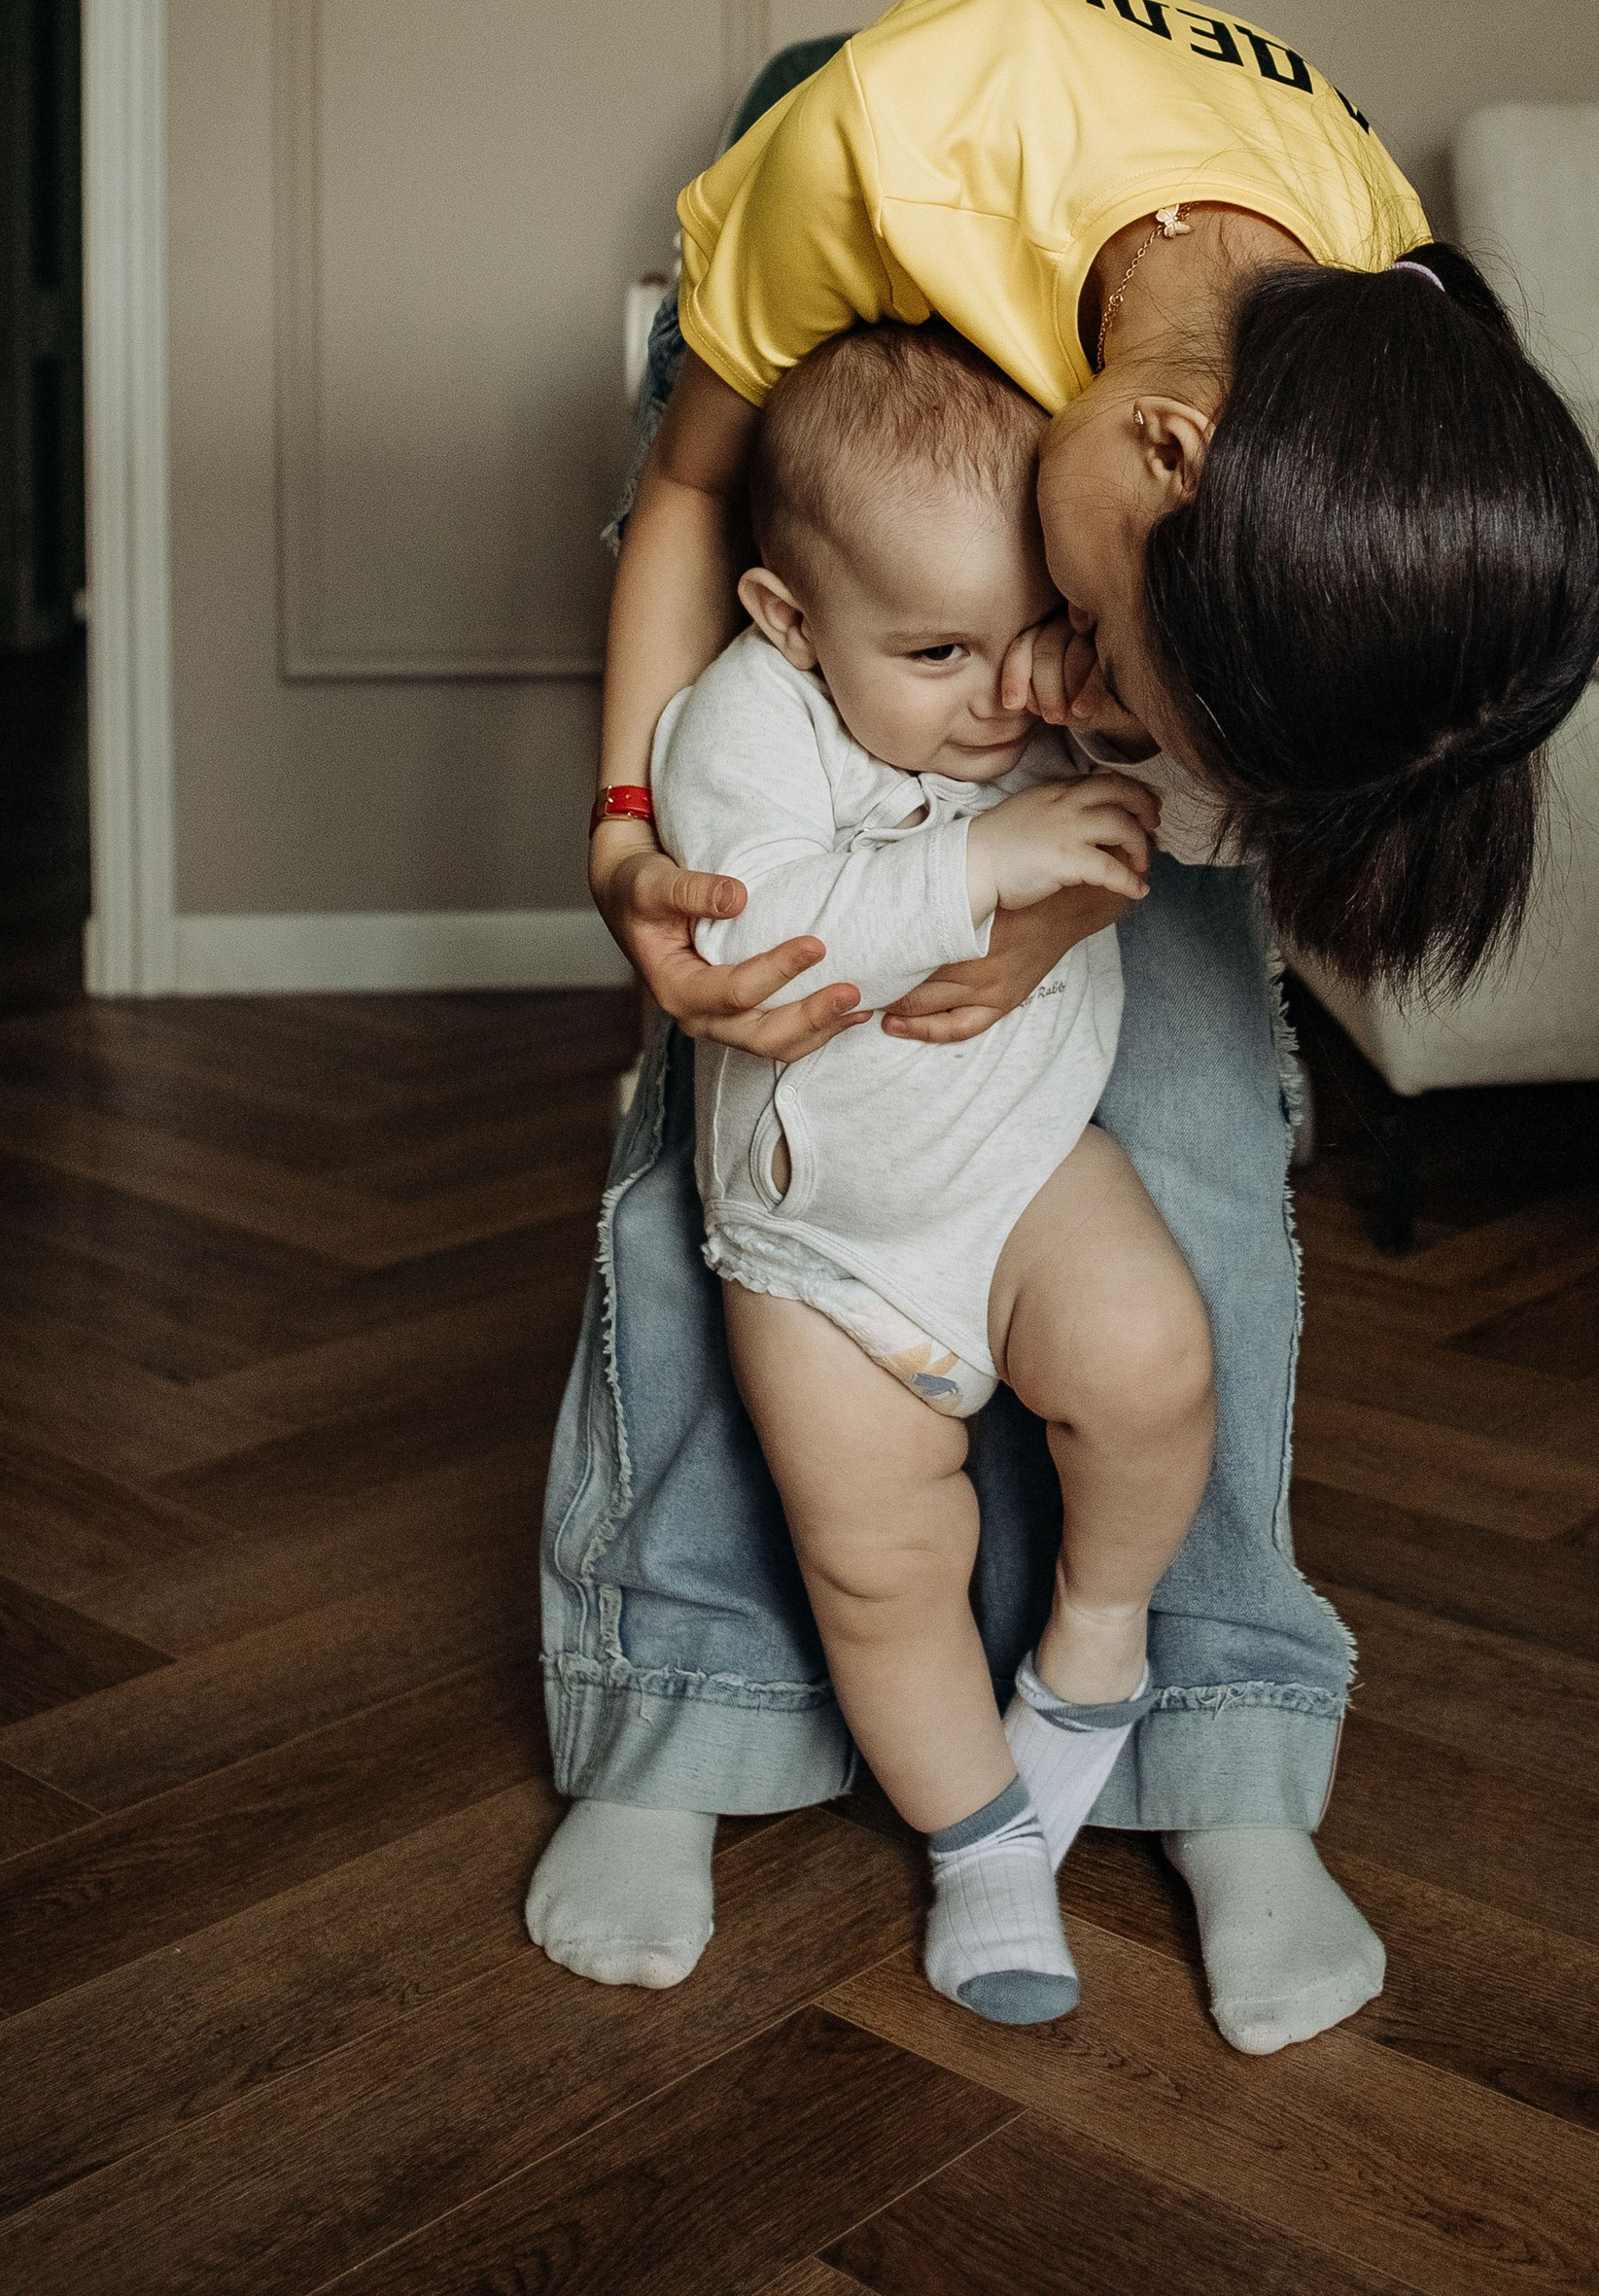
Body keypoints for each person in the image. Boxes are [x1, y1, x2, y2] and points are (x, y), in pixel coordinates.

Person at [531, 0, 1599, 2052]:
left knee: (1205, 1143)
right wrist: (617, 846)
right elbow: (685, 494)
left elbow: (1194, 755)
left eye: (1123, 687)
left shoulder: (1361, 325)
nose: (1077, 711)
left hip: (1072, 689)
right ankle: (681, 1707)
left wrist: (1049, 893)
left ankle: (1208, 1733)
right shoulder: (887, 145)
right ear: (1162, 442)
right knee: (728, 1128)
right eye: (1111, 654)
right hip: (872, 496)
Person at [659, 316, 1214, 2024]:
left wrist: (1134, 730)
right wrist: (992, 863)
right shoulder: (740, 725)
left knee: (1154, 1361)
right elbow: (767, 922)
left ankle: (1096, 1642)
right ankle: (979, 1849)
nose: (1002, 699)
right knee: (878, 1562)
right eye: (937, 652)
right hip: (822, 1252)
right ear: (789, 620)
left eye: (1035, 632)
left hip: (1024, 1170)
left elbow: (1215, 807)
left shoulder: (1047, 690)